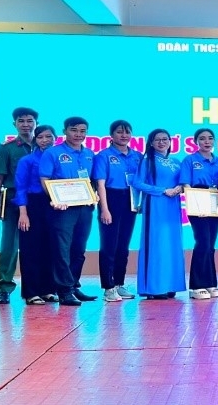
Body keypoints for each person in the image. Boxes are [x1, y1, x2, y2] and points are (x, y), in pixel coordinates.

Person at [39, 116, 97, 306]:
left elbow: (92, 181)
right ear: (64, 131)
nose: (78, 134)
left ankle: (73, 285)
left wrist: (94, 195)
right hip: (62, 209)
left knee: (79, 248)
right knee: (62, 249)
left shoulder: (89, 154)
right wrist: (55, 199)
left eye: (82, 131)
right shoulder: (53, 153)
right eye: (74, 130)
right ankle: (64, 290)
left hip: (85, 208)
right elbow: (44, 179)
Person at [133, 129, 187, 300]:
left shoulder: (176, 161)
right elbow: (137, 182)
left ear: (170, 142)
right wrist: (163, 190)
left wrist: (180, 187)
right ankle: (154, 288)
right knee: (156, 244)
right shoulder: (147, 161)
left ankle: (171, 285)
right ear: (151, 143)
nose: (162, 142)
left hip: (173, 205)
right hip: (155, 204)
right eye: (157, 140)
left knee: (172, 243)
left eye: (165, 139)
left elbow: (183, 181)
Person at [0, 106, 37, 304]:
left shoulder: (44, 145)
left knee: (39, 245)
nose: (25, 125)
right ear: (14, 124)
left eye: (29, 121)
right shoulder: (7, 148)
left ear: (36, 123)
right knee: (9, 245)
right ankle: (4, 287)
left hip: (39, 201)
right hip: (13, 200)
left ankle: (38, 287)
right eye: (21, 121)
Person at [93, 120, 142, 302]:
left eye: (127, 132)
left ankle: (119, 283)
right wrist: (104, 209)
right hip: (110, 198)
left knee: (123, 245)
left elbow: (141, 182)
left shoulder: (137, 156)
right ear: (111, 135)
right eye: (120, 132)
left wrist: (140, 203)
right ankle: (108, 287)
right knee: (109, 245)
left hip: (130, 200)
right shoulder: (104, 156)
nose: (124, 135)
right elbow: (100, 184)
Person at [178, 128, 218, 299]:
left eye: (210, 138)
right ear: (196, 141)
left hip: (215, 202)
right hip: (197, 200)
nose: (207, 141)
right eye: (202, 138)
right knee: (202, 242)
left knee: (210, 245)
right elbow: (185, 184)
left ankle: (210, 283)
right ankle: (196, 286)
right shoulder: (190, 160)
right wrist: (196, 205)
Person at [15, 125, 58, 305]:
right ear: (35, 140)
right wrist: (23, 213)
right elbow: (20, 188)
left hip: (56, 204)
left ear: (56, 138)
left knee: (51, 248)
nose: (45, 140)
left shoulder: (60, 157)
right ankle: (31, 292)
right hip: (33, 205)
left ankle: (48, 289)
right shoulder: (27, 160)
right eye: (40, 137)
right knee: (31, 249)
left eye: (49, 136)